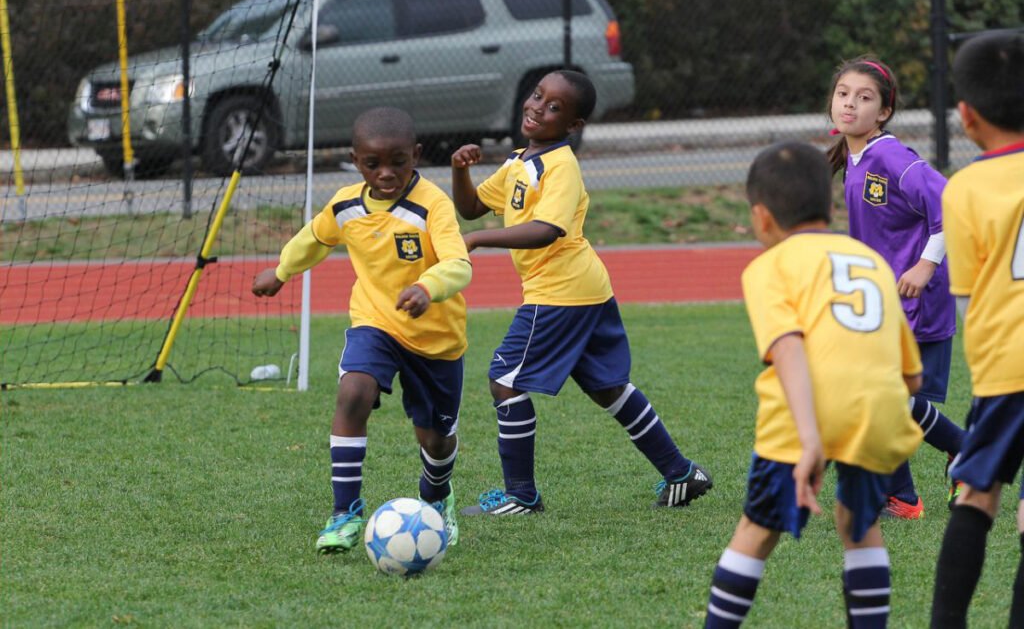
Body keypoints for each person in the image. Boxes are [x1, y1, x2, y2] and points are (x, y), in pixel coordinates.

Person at [449, 69, 711, 516]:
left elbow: (547, 229)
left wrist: (477, 241)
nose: (537, 107)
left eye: (554, 107)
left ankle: (521, 496)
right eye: (536, 96)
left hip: (560, 292)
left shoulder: (560, 165)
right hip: (585, 289)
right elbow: (472, 207)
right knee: (607, 387)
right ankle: (682, 474)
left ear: (572, 126)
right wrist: (460, 171)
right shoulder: (520, 161)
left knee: (505, 380)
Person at [704, 142, 924, 628]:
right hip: (877, 411)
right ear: (831, 204)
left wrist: (810, 441)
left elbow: (788, 349)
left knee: (757, 530)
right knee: (860, 527)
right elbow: (913, 376)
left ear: (761, 218)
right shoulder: (868, 260)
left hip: (802, 418)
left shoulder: (770, 266)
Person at [251, 107, 472, 553]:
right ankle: (345, 513)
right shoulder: (346, 204)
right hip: (376, 323)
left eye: (399, 162)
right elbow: (314, 237)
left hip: (437, 341)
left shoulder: (432, 205)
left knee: (435, 437)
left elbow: (458, 264)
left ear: (417, 155)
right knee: (353, 392)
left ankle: (436, 495)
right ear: (356, 160)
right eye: (374, 164)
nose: (386, 173)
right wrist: (281, 271)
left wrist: (428, 288)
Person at [826, 55, 965, 519]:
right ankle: (906, 496)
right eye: (843, 94)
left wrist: (925, 266)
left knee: (890, 399)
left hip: (916, 299)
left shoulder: (890, 156)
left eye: (864, 98)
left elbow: (949, 203)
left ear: (883, 111)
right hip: (882, 298)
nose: (850, 104)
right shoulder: (855, 156)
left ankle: (962, 455)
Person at [930, 30, 1024, 628]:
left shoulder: (964, 189)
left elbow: (967, 293)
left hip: (1007, 367)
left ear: (965, 117)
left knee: (978, 495)